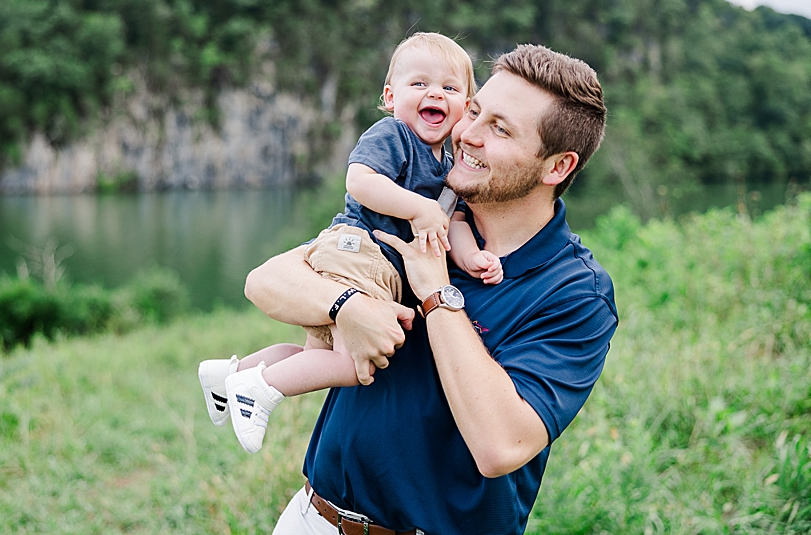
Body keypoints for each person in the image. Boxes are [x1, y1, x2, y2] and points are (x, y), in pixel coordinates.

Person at [245, 44, 619, 534]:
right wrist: (347, 306)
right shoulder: (418, 209)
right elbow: (266, 280)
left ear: (556, 167)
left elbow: (500, 446)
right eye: (477, 111)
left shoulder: (574, 293)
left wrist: (437, 292)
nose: (467, 134)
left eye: (499, 129)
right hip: (313, 517)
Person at [197, 32, 502, 454]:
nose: (435, 93)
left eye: (450, 88)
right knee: (351, 364)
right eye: (419, 84)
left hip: (372, 264)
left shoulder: (449, 169)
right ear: (391, 96)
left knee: (315, 352)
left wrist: (471, 257)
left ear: (466, 106)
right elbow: (360, 181)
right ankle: (259, 389)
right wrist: (417, 209)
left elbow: (455, 221)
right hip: (359, 253)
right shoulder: (394, 136)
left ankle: (230, 374)